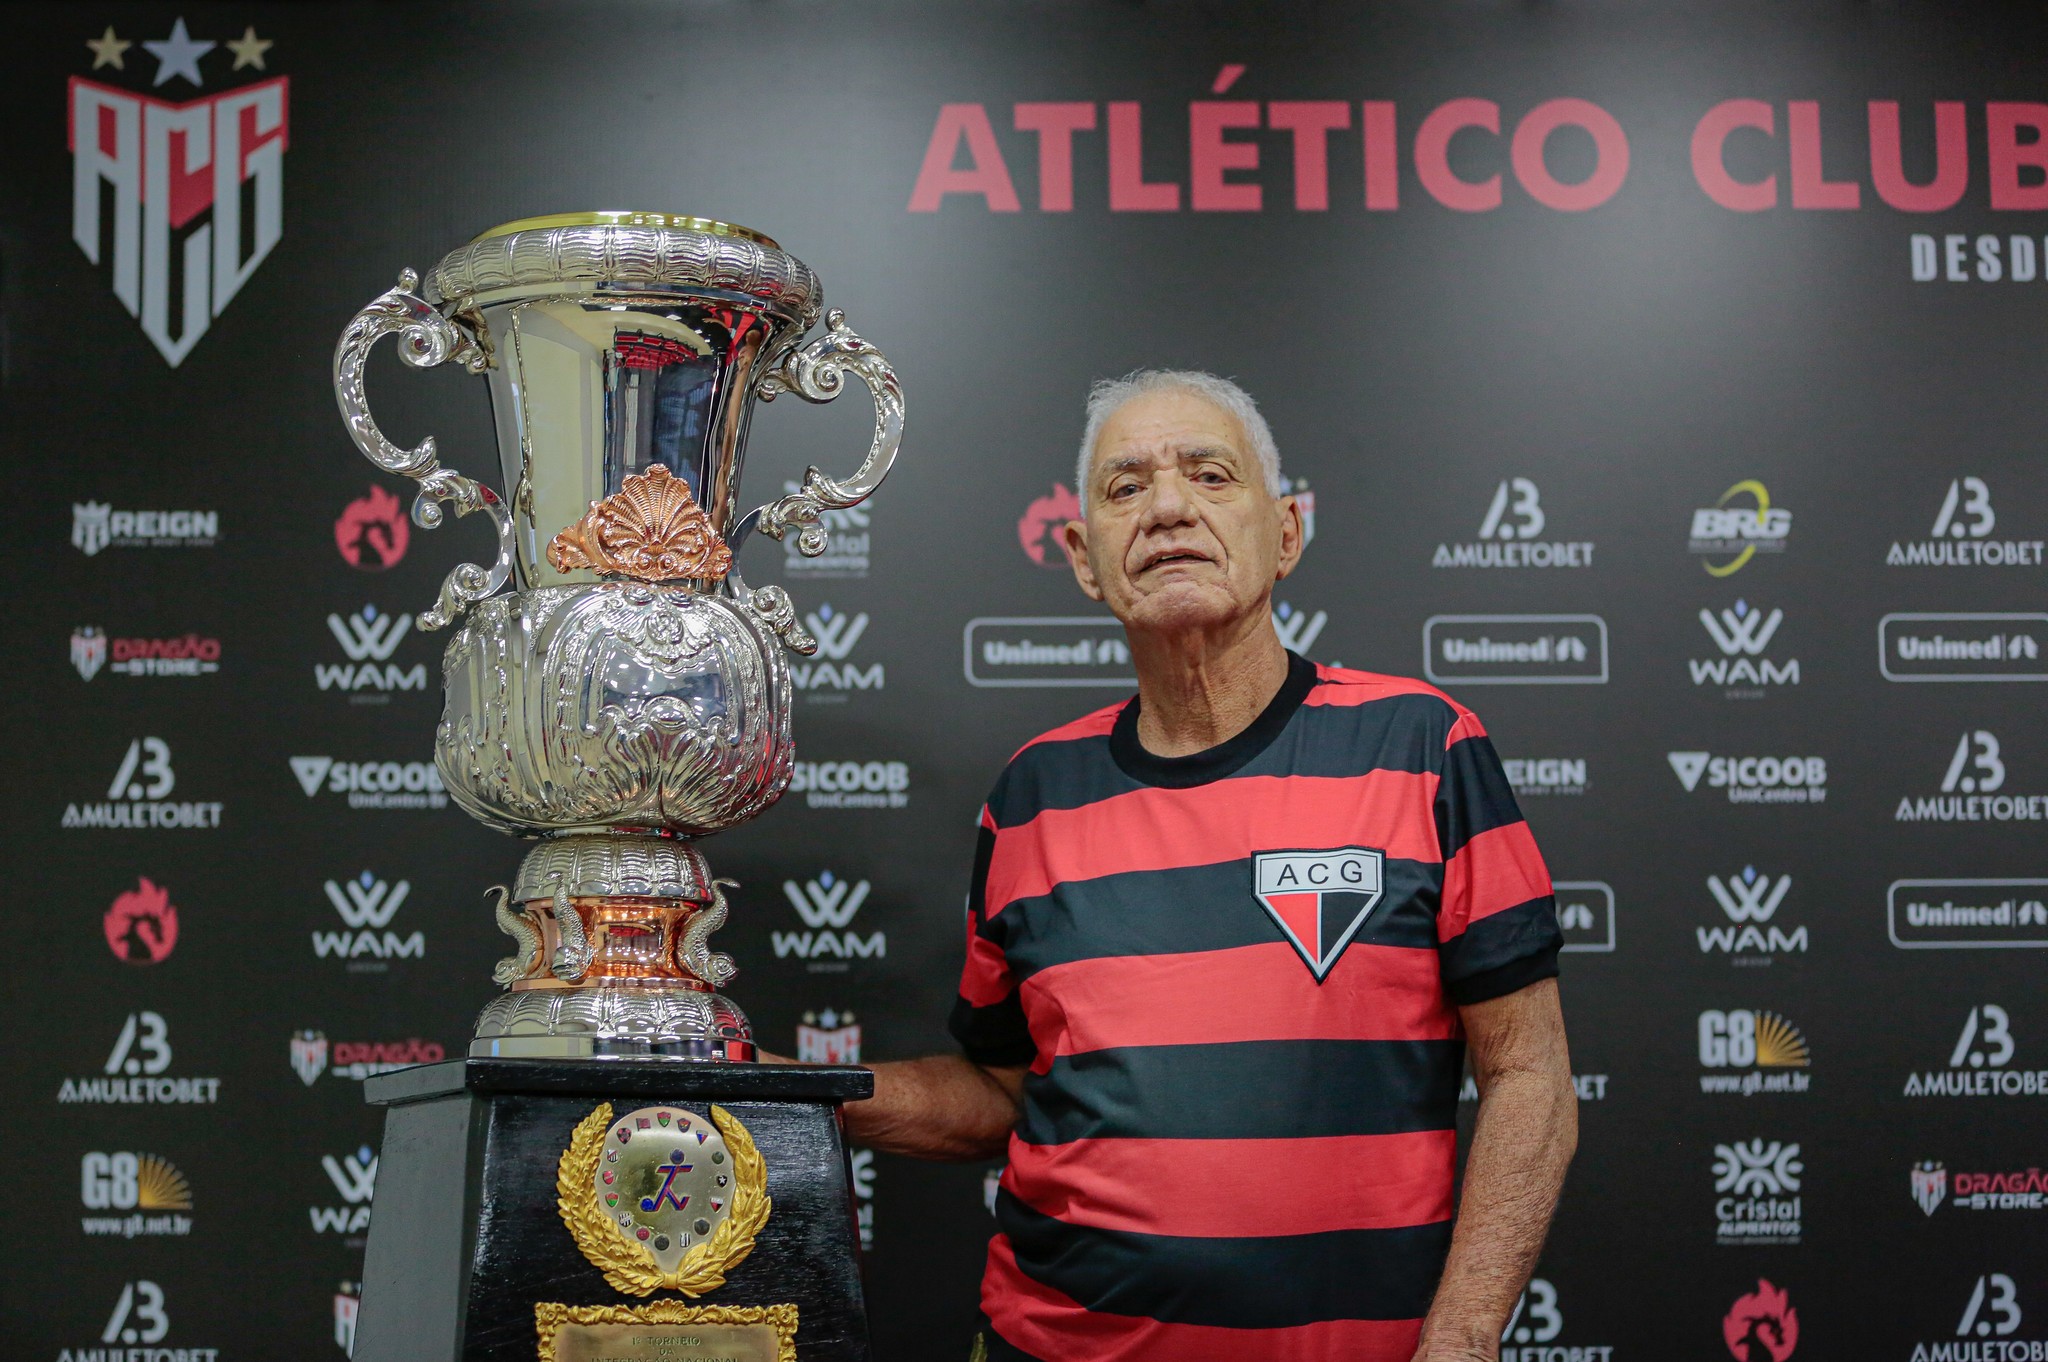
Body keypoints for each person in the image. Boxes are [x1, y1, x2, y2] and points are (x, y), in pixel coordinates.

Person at [840, 370, 1577, 1362]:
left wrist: (1460, 1334)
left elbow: (1526, 1072)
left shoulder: (1420, 747)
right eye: (1124, 487)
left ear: (1285, 533)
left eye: (1209, 475)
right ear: (1082, 560)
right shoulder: (1030, 796)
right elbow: (1007, 1093)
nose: (1168, 508)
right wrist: (784, 1099)